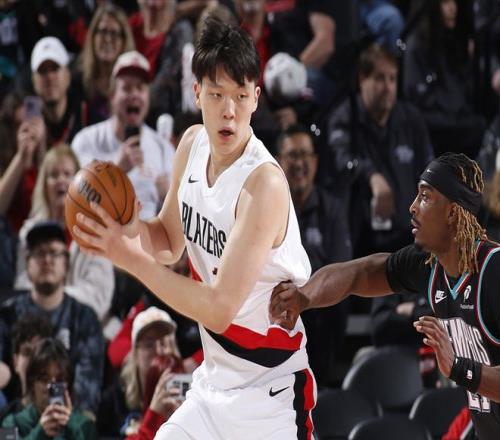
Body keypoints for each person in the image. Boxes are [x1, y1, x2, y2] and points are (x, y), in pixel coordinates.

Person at [73, 17, 315, 439]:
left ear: (256, 99)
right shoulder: (190, 144)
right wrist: (124, 227)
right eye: (217, 94)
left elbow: (219, 310)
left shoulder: (264, 185)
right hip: (213, 382)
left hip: (269, 392)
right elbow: (168, 241)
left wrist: (130, 259)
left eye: (241, 96)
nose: (228, 110)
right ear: (196, 91)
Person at [270, 152, 500, 439]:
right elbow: (359, 273)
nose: (412, 207)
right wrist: (304, 297)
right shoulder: (429, 265)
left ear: (452, 213)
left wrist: (457, 367)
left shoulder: (493, 271)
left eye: (425, 197)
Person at [326, 42, 434, 257]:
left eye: (392, 79)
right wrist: (371, 175)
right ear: (362, 79)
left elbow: (429, 171)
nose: (388, 87)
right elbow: (340, 160)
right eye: (379, 78)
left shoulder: (411, 119)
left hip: (407, 236)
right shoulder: (345, 117)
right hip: (359, 240)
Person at [0, 221, 104, 417]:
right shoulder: (7, 314)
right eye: (39, 253)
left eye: (54, 253)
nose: (47, 260)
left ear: (66, 263)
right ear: (27, 263)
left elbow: (88, 387)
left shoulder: (84, 318)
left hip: (68, 416)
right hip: (14, 417)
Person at [276, 124, 351, 386]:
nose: (299, 164)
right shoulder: (268, 208)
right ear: (278, 162)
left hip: (318, 312)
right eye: (292, 156)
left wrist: (303, 295)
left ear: (316, 162)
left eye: (305, 155)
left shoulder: (332, 210)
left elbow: (340, 268)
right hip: (276, 309)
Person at [13, 144, 115, 325]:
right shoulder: (28, 232)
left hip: (84, 324)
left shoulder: (97, 232)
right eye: (53, 175)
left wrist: (54, 298)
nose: (61, 180)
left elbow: (99, 293)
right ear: (44, 185)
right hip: (37, 324)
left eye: (67, 174)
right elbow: (22, 284)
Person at [72, 50, 175, 221]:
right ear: (112, 95)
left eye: (140, 88)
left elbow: (179, 217)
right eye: (126, 88)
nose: (134, 94)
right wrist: (117, 170)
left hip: (147, 233)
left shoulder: (163, 148)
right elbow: (76, 201)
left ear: (148, 96)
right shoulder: (86, 140)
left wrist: (168, 198)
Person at [97, 306, 184, 438]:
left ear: (174, 348)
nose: (158, 351)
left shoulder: (193, 391)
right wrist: (153, 417)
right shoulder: (114, 400)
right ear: (135, 353)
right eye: (149, 345)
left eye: (164, 343)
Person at [2, 337, 98, 439]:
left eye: (60, 380)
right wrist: (40, 433)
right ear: (32, 383)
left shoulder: (85, 427)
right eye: (44, 379)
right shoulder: (11, 423)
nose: (51, 387)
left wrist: (71, 426)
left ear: (69, 384)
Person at [74, 2, 135, 126]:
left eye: (114, 33)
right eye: (102, 31)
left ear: (124, 41)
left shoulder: (133, 83)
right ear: (93, 37)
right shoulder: (77, 80)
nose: (107, 39)